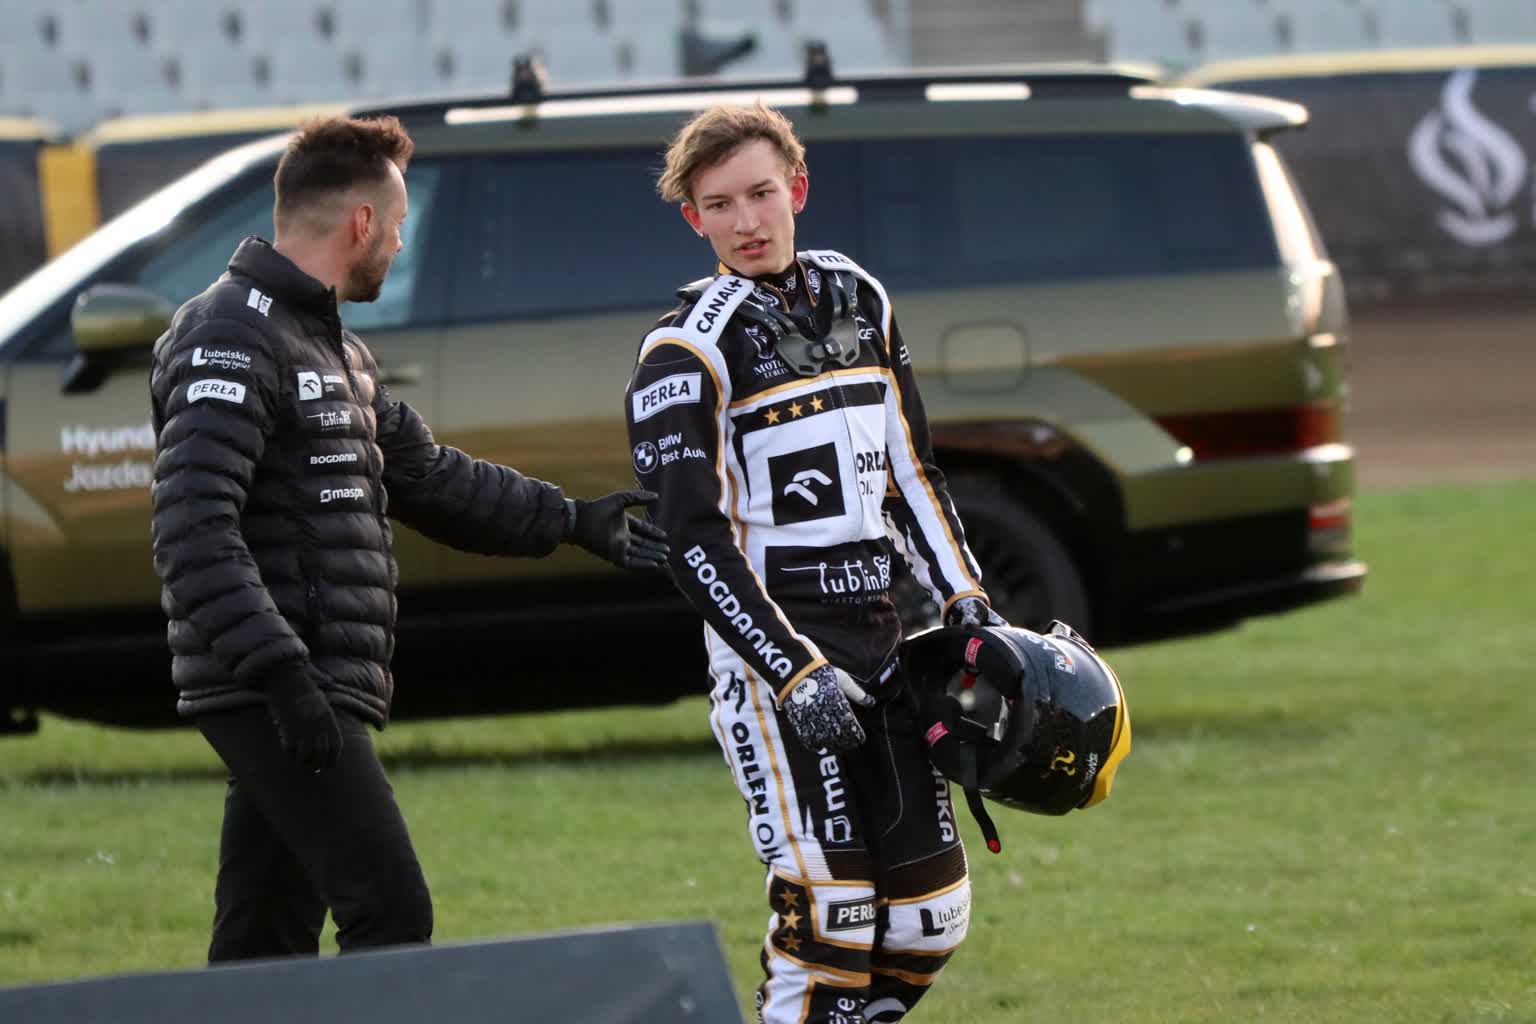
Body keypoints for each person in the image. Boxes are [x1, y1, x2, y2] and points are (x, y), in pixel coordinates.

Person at [149, 114, 667, 962]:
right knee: (390, 911)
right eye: (396, 224)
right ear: (361, 222)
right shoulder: (228, 332)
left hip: (304, 683)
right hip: (280, 685)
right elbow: (191, 527)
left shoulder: (332, 346)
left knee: (264, 942)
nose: (398, 242)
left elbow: (430, 477)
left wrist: (573, 521)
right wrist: (282, 675)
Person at [624, 102, 1007, 1024]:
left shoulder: (862, 297)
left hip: (887, 645)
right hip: (773, 668)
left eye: (760, 194)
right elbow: (693, 541)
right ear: (694, 219)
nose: (746, 221)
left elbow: (912, 471)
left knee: (929, 921)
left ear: (797, 189)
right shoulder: (683, 349)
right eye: (720, 206)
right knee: (831, 921)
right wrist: (793, 673)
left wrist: (967, 601)